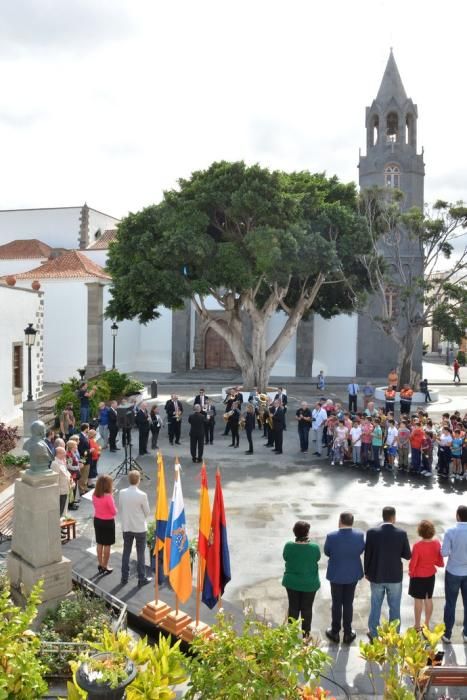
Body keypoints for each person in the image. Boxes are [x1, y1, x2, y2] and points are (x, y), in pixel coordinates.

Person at [364, 506, 411, 640]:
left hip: (376, 575)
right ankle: (394, 634)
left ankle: (373, 633)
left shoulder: (372, 532)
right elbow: (407, 555)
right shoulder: (401, 533)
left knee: (375, 606)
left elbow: (368, 554)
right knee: (395, 607)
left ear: (383, 516)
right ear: (394, 517)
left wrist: (366, 571)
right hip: (395, 577)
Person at [324, 512, 365, 644]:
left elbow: (327, 552)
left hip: (336, 574)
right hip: (352, 574)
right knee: (348, 603)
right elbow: (360, 550)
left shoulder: (331, 536)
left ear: (340, 521)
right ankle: (348, 633)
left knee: (336, 603)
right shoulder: (359, 535)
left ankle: (335, 632)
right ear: (352, 522)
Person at [282, 520, 321, 639]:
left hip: (292, 582)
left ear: (295, 532)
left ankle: (291, 634)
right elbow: (317, 558)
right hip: (310, 583)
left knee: (293, 607)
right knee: (307, 608)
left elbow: (285, 557)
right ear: (307, 533)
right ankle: (306, 635)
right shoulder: (314, 547)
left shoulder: (289, 546)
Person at [408, 520, 444, 631]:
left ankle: (417, 625)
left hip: (418, 576)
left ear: (420, 531)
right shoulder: (437, 543)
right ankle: (427, 623)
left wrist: (410, 572)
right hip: (430, 575)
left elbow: (413, 563)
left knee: (418, 600)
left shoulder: (417, 546)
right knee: (428, 599)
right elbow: (439, 562)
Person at [119, 470, 152, 587]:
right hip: (139, 528)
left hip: (127, 526)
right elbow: (147, 512)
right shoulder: (142, 495)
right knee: (140, 554)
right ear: (138, 480)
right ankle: (141, 578)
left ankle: (124, 577)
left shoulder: (122, 492)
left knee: (126, 552)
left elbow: (121, 507)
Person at [441, 505, 467, 642]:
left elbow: (444, 552)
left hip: (453, 572)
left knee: (450, 603)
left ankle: (447, 634)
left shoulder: (451, 531)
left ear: (457, 515)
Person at [92, 474, 117, 575]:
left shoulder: (94, 494)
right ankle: (105, 565)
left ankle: (100, 563)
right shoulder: (109, 497)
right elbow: (114, 511)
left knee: (99, 542)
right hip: (107, 522)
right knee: (107, 544)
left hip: (97, 520)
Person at [51, 446, 73, 516]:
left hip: (65, 488)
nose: (65, 454)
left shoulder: (62, 461)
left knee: (64, 508)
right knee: (60, 509)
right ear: (58, 454)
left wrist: (71, 479)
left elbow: (66, 472)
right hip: (60, 491)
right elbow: (55, 479)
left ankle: (62, 521)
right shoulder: (55, 464)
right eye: (64, 453)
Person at [77, 423, 91, 494]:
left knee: (86, 474)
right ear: (86, 428)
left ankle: (84, 487)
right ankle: (82, 489)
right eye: (88, 428)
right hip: (84, 459)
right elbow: (81, 450)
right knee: (83, 474)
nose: (89, 429)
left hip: (86, 458)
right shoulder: (81, 437)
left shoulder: (84, 436)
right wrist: (89, 451)